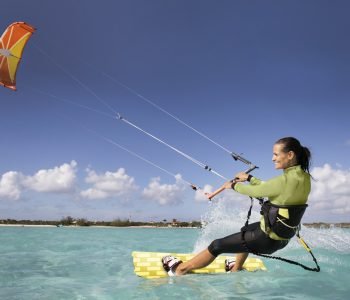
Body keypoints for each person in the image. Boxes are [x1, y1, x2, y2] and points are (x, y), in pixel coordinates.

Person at [162, 137, 312, 276]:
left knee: (216, 245)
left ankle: (180, 270)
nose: (273, 158)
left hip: (266, 239)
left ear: (290, 155)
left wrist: (233, 186)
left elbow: (256, 191)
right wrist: (250, 178)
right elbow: (268, 187)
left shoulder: (284, 181)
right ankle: (236, 268)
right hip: (282, 238)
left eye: (276, 154)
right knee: (245, 231)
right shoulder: (304, 178)